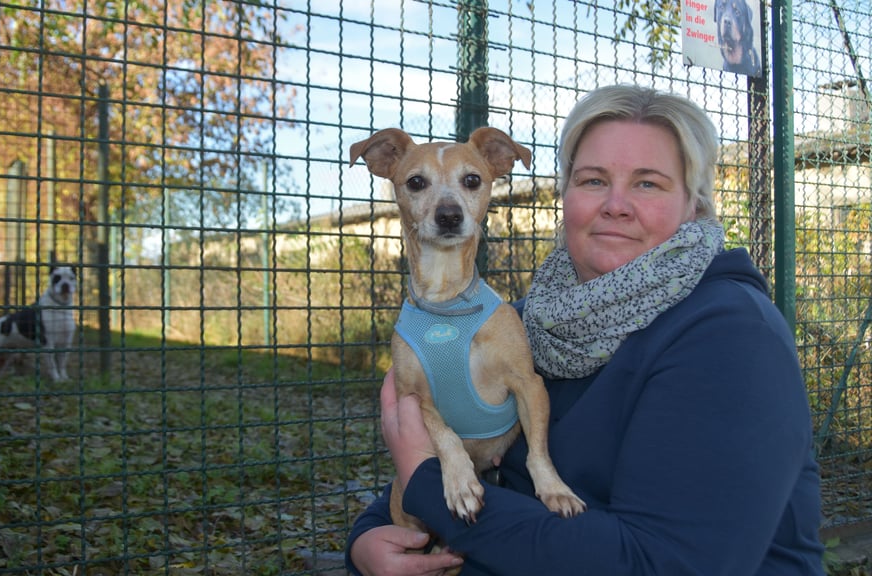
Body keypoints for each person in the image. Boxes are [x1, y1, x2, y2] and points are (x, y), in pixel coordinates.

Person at [346, 84, 825, 575]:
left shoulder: (733, 341)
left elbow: (660, 564)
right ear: (565, 196)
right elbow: (456, 445)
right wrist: (368, 541)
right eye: (594, 180)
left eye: (648, 183)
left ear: (696, 206)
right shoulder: (533, 320)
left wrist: (427, 485)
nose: (616, 205)